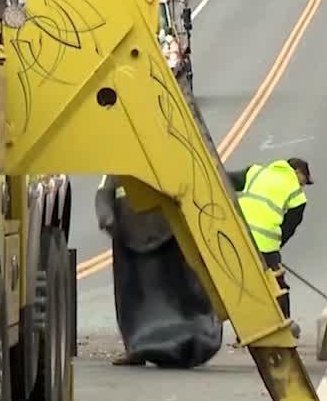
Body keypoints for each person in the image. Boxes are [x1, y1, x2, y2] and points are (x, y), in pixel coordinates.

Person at [95, 175, 223, 368]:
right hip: (132, 236)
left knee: (178, 292)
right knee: (133, 297)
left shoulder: (163, 157)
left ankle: (191, 341)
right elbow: (104, 192)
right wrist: (107, 218)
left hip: (168, 233)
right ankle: (137, 348)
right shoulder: (118, 166)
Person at [225, 157, 312, 334]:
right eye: (303, 181)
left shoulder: (255, 172)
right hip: (266, 245)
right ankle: (284, 326)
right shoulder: (297, 196)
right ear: (297, 172)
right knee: (278, 286)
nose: (302, 185)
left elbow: (225, 180)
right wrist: (275, 249)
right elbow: (288, 228)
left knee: (232, 280)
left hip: (238, 237)